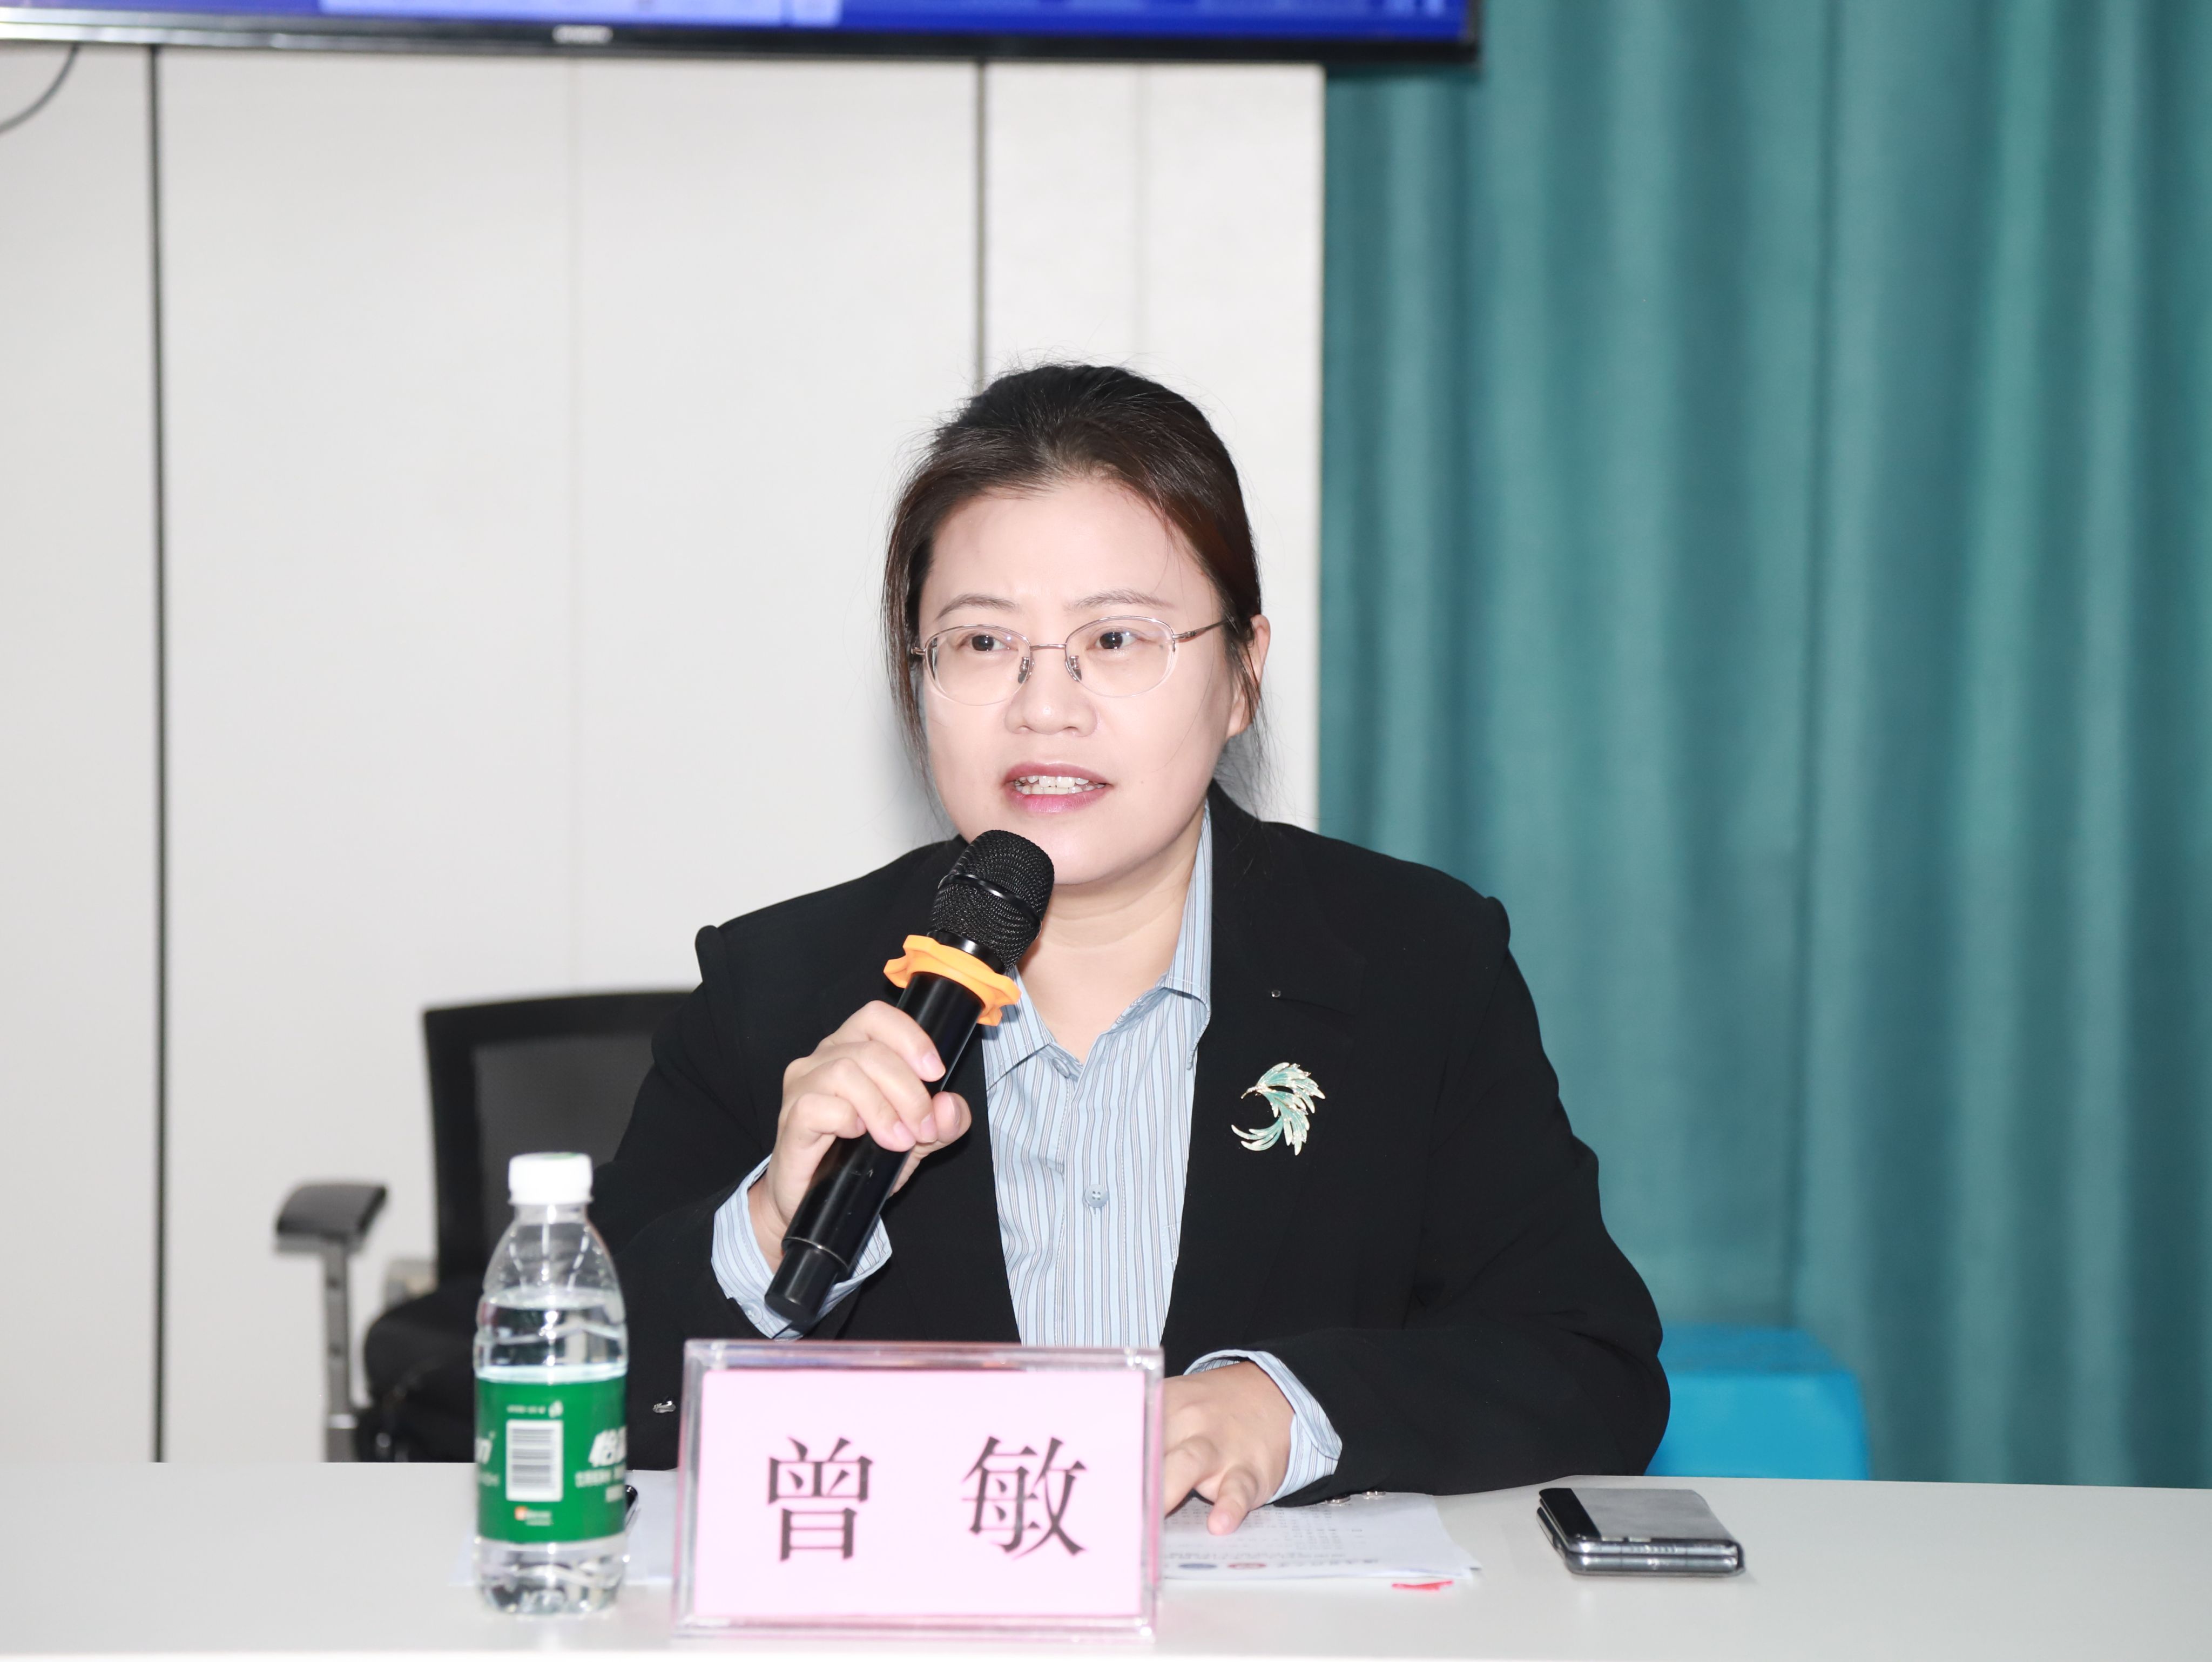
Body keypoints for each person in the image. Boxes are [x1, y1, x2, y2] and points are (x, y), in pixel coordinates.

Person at [595, 364, 1667, 1532]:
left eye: (1114, 638)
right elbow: (578, 1401)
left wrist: (1280, 1408)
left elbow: (1587, 1367)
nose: (1043, 706)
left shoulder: (1416, 962)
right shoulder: (775, 987)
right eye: (980, 642)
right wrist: (768, 1226)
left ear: (1242, 673)